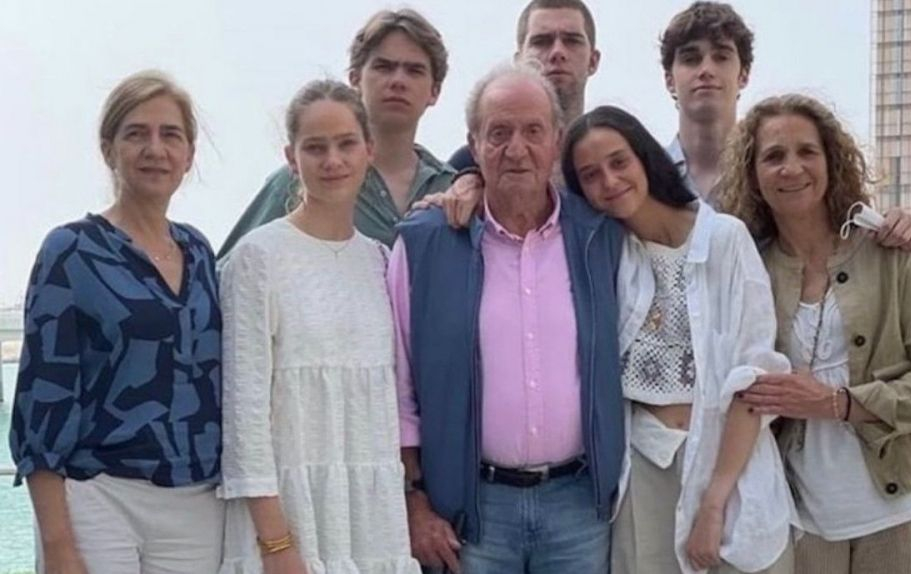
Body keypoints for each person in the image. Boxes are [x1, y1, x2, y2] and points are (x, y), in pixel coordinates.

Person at [718, 94, 911, 574]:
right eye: (773, 156)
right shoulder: (749, 269)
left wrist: (837, 403)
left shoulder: (888, 254)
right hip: (801, 516)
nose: (792, 168)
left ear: (831, 161)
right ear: (752, 174)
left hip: (905, 510)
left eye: (807, 151)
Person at [388, 62, 624, 573]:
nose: (517, 149)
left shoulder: (600, 237)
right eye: (499, 133)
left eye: (533, 131)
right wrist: (413, 501)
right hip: (470, 514)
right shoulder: (424, 245)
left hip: (579, 509)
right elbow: (398, 388)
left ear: (557, 141)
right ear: (473, 145)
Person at [563, 105, 796, 574]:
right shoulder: (606, 253)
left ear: (645, 158)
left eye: (618, 162)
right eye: (590, 175)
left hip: (729, 467)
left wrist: (714, 503)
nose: (609, 181)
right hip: (644, 470)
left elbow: (754, 378)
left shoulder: (725, 239)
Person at [9, 70, 224, 573]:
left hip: (195, 502)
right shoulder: (71, 251)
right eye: (136, 134)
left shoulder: (200, 251)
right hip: (99, 495)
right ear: (109, 149)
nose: (155, 149)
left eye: (170, 135)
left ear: (189, 154)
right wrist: (58, 545)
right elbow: (43, 398)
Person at [218, 79, 421, 574]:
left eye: (346, 144)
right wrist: (277, 544)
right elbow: (244, 415)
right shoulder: (257, 258)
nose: (333, 161)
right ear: (292, 158)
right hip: (289, 518)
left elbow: (392, 398)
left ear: (369, 150)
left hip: (371, 519)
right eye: (315, 147)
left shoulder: (380, 260)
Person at [660, 1, 911, 247]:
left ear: (744, 75)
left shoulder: (777, 172)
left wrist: (891, 227)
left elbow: (839, 238)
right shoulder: (647, 176)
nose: (706, 70)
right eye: (691, 59)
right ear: (669, 80)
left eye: (721, 57)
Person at [218, 8, 453, 256]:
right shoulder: (302, 180)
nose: (398, 81)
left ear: (435, 91)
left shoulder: (452, 187)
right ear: (355, 79)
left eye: (414, 70)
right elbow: (229, 269)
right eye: (383, 67)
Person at [447, 0, 600, 171]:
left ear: (593, 61)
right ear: (520, 61)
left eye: (572, 41)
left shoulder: (607, 164)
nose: (558, 52)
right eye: (542, 42)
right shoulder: (470, 163)